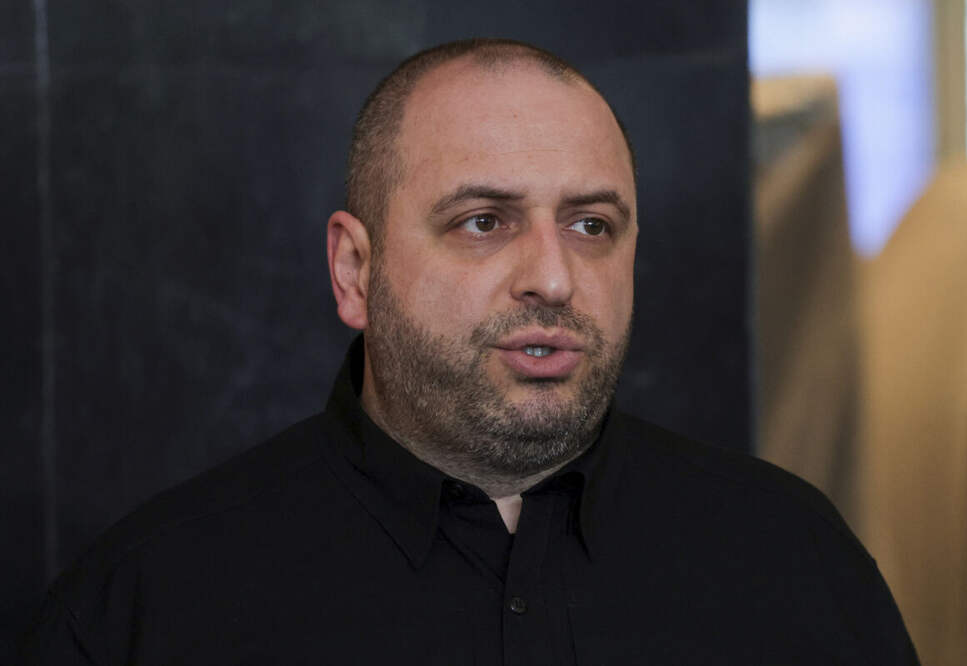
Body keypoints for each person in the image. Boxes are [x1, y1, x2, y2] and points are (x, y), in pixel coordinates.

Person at [22, 39, 919, 664]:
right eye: (484, 222)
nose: (554, 279)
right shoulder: (150, 609)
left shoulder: (795, 565)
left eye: (591, 225)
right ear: (354, 270)